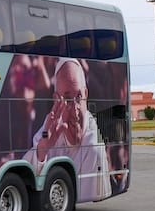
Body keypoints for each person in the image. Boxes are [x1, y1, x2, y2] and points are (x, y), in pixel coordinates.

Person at [23, 58, 111, 202]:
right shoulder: (51, 125)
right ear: (56, 100)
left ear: (86, 94)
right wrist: (42, 150)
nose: (76, 108)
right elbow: (26, 180)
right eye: (68, 100)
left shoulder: (93, 144)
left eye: (79, 97)